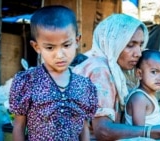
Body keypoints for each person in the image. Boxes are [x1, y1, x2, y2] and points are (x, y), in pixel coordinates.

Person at [73, 13, 160, 141]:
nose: (138, 53)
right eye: (130, 45)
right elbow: (103, 132)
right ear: (112, 43)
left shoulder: (118, 69)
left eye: (140, 45)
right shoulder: (100, 70)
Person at [9, 5, 98, 141]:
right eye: (50, 47)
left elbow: (83, 127)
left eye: (66, 45)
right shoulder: (28, 81)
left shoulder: (84, 85)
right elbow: (19, 126)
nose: (60, 55)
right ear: (37, 47)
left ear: (77, 41)